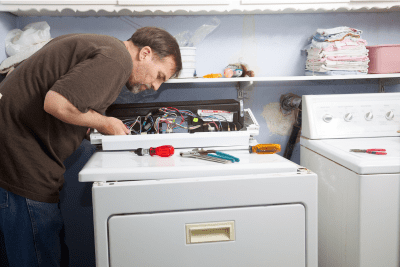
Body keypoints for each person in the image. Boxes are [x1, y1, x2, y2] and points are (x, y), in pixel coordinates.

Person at [0, 26, 182, 266]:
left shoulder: (103, 46)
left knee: (45, 248)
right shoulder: (116, 60)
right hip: (23, 162)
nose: (156, 86)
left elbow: (68, 98)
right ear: (145, 53)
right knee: (38, 253)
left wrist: (89, 122)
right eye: (159, 76)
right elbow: (56, 102)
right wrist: (105, 122)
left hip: (19, 154)